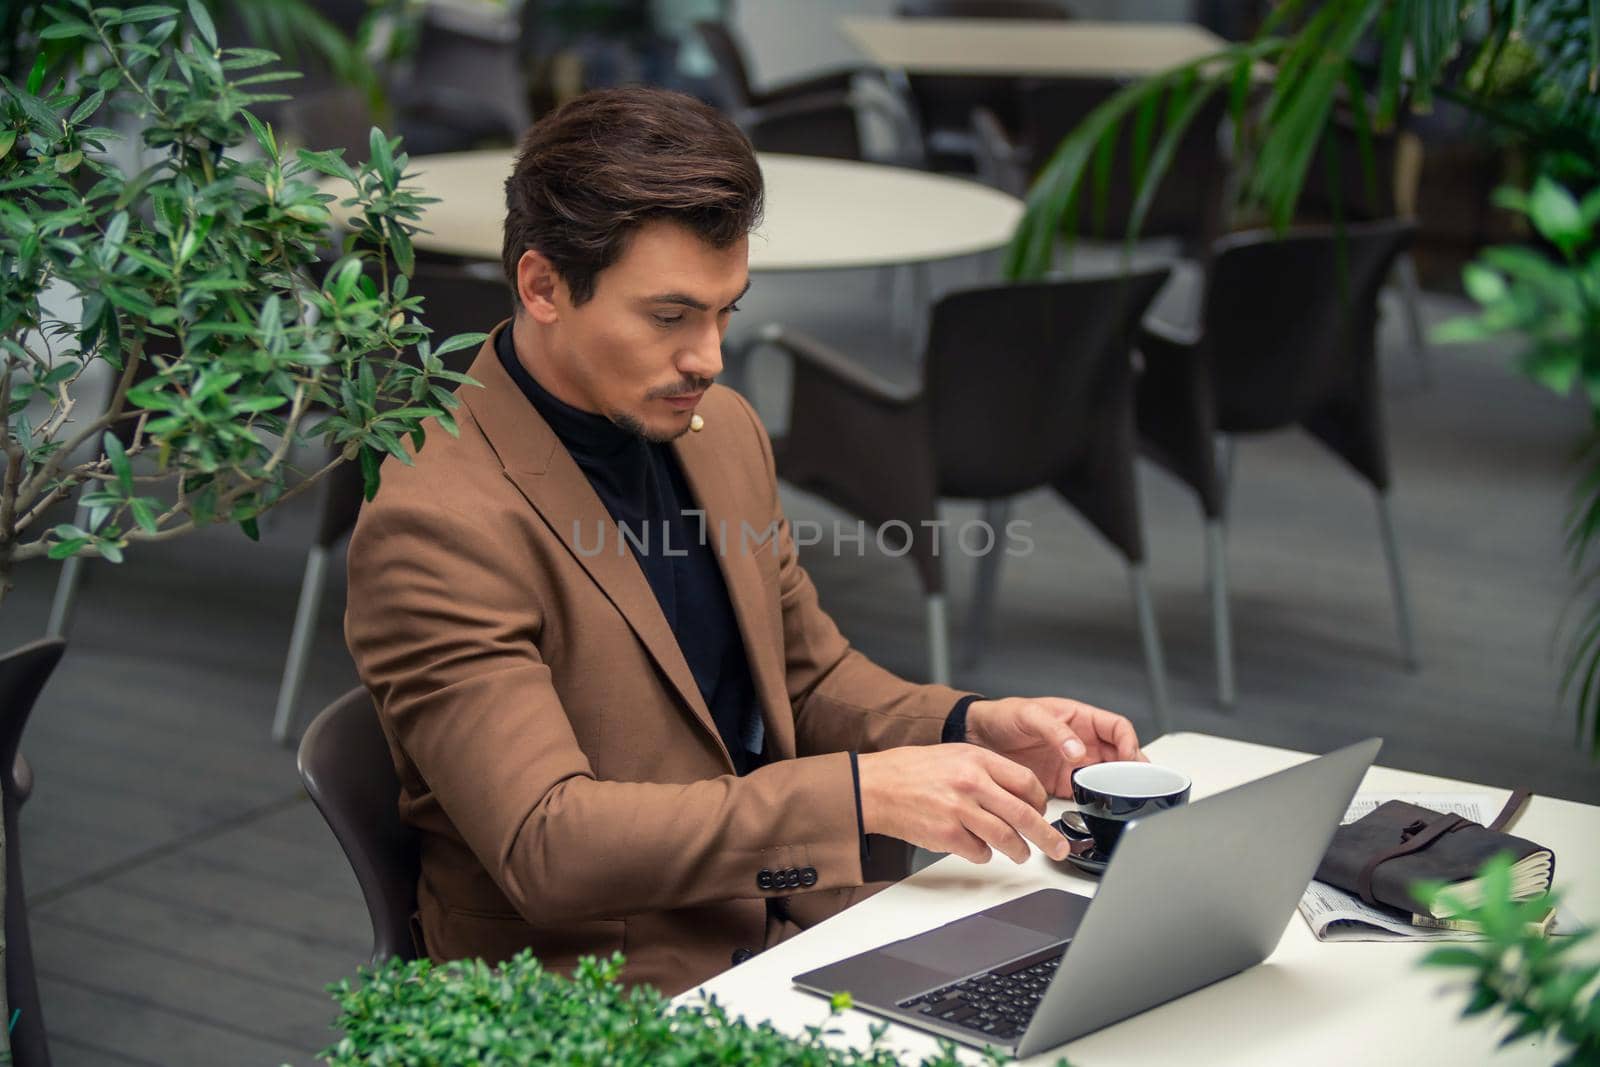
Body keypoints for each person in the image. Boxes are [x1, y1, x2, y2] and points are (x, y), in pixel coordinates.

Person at [344, 86, 1143, 997]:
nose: (711, 358)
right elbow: (547, 842)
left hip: (801, 930)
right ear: (542, 286)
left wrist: (972, 725)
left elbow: (806, 677)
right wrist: (859, 795)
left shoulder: (717, 431)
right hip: (605, 992)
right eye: (670, 315)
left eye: (726, 311)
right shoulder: (437, 519)